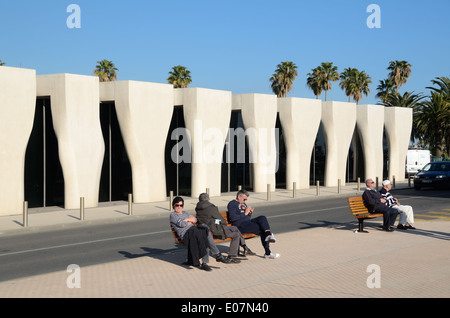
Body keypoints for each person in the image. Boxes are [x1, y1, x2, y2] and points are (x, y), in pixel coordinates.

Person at [170, 196, 230, 271]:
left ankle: (208, 261)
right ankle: (216, 255)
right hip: (186, 235)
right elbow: (182, 224)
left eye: (181, 205)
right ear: (173, 205)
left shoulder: (185, 213)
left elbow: (195, 219)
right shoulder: (173, 215)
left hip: (193, 231)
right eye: (177, 205)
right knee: (203, 235)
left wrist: (188, 220)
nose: (179, 207)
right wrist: (189, 220)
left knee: (205, 230)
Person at [195, 193, 255, 262]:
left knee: (235, 228)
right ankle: (232, 256)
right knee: (236, 235)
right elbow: (220, 219)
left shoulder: (198, 208)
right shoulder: (211, 208)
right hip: (215, 230)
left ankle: (245, 247)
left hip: (207, 229)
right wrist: (223, 224)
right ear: (208, 199)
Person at [227, 189, 279, 259]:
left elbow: (247, 217)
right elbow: (233, 218)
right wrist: (245, 213)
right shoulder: (232, 204)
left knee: (262, 217)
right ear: (239, 197)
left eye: (246, 200)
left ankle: (268, 234)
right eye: (244, 199)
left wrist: (249, 213)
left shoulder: (244, 204)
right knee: (261, 229)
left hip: (248, 223)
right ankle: (268, 252)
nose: (245, 201)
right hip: (240, 226)